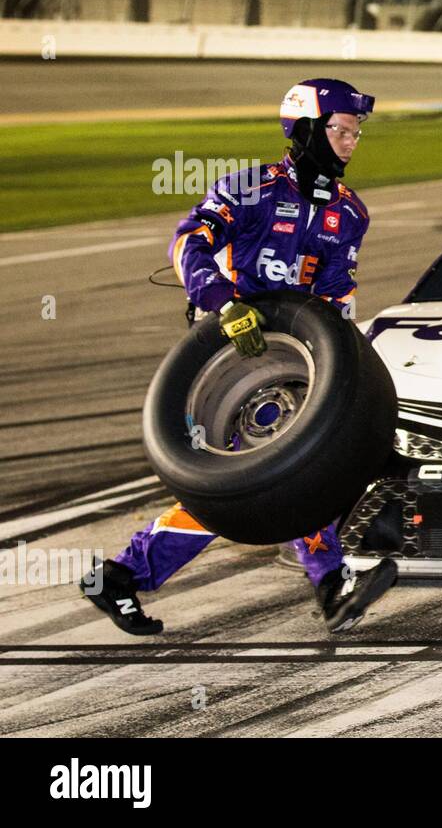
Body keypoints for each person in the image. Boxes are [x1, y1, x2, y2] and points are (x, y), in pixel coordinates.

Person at [80, 78, 398, 636]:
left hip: (295, 358)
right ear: (305, 130)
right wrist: (223, 303)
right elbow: (187, 243)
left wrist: (350, 368)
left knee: (284, 472)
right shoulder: (248, 188)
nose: (351, 142)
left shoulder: (351, 213)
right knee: (246, 482)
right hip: (223, 357)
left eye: (356, 134)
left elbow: (336, 295)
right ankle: (326, 585)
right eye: (342, 130)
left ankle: (122, 577)